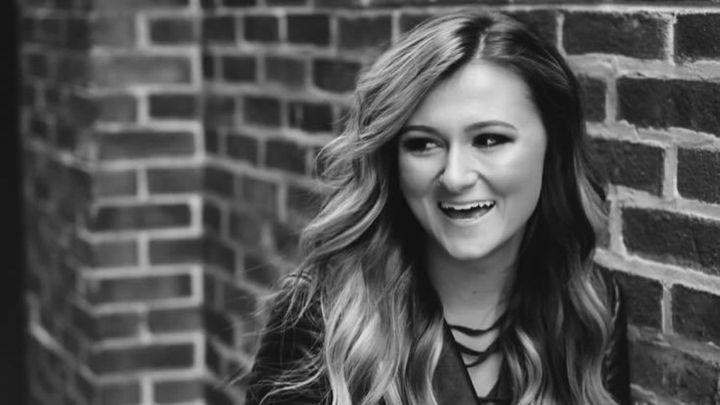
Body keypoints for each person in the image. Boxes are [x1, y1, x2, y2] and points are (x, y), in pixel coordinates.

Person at [244, 10, 630, 405]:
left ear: (553, 148)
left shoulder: (589, 308)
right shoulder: (324, 315)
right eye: (423, 144)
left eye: (489, 139)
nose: (455, 177)